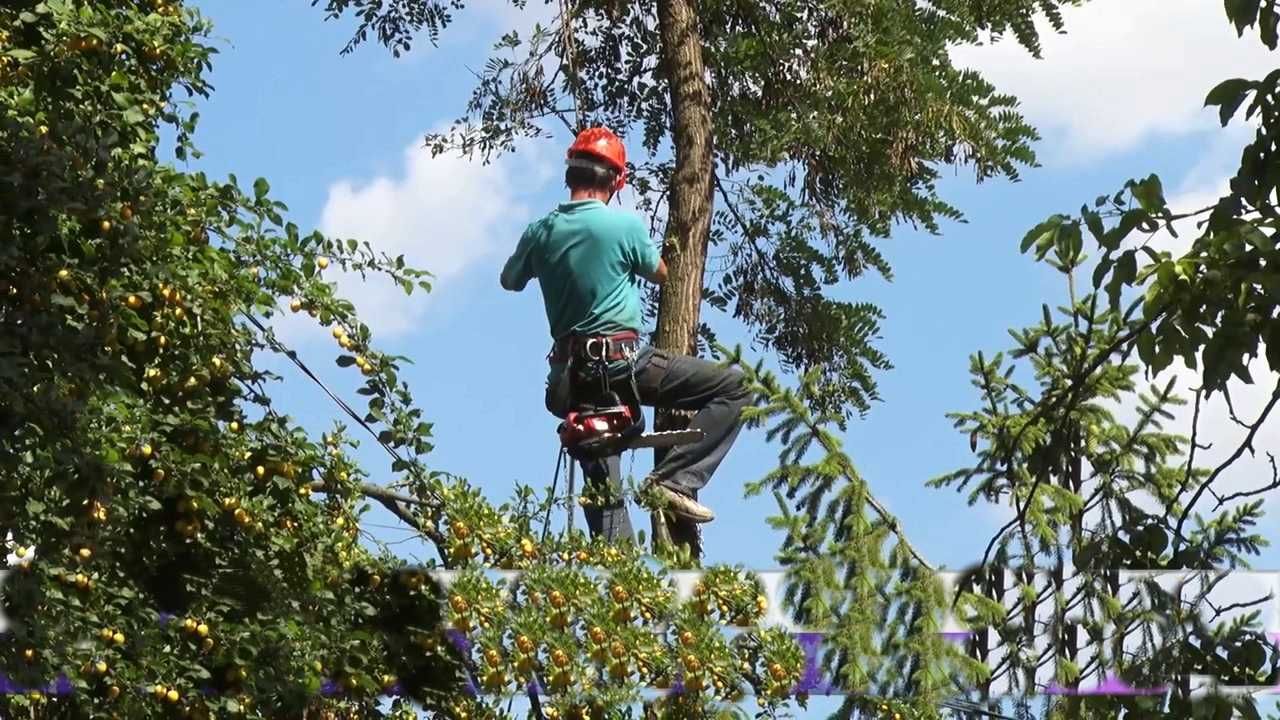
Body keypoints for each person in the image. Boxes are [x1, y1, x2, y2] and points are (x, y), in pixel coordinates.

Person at [499, 127, 750, 546]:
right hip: (625, 364)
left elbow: (510, 280)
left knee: (609, 522)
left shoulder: (540, 232)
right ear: (617, 181)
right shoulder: (623, 226)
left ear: (569, 175)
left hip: (573, 384)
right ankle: (675, 481)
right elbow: (663, 273)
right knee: (736, 386)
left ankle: (625, 586)